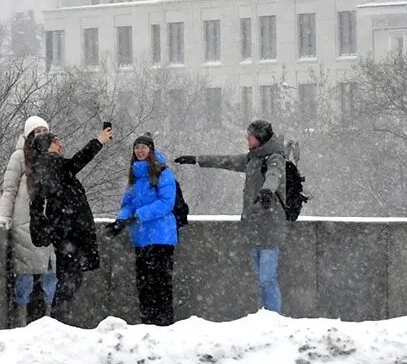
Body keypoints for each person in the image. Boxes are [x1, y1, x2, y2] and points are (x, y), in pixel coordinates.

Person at [176, 119, 301, 315]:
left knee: (268, 277)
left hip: (270, 226)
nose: (247, 138)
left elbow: (274, 175)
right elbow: (226, 161)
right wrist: (197, 159)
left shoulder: (275, 158)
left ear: (259, 137)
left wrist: (267, 191)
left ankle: (274, 319)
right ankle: (264, 314)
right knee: (260, 279)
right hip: (253, 226)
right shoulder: (252, 158)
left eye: (250, 135)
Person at [29, 121, 112, 322]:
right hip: (68, 234)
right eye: (56, 142)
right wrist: (99, 141)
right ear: (46, 147)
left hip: (67, 233)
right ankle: (59, 322)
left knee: (69, 280)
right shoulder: (50, 164)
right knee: (68, 281)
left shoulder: (47, 166)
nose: (61, 145)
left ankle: (60, 321)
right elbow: (77, 161)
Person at [106, 132, 180, 325]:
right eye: (137, 147)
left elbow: (166, 203)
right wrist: (121, 220)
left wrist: (138, 215)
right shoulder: (135, 177)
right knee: (145, 285)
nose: (140, 151)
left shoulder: (163, 173)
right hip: (141, 238)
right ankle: (149, 322)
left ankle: (163, 323)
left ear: (151, 150)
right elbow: (127, 204)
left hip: (161, 238)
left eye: (143, 147)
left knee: (161, 284)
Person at [0, 115, 56, 321]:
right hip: (24, 223)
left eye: (43, 130)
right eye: (36, 131)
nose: (41, 135)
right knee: (25, 274)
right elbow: (9, 189)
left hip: (48, 221)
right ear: (29, 134)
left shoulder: (53, 153)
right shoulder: (19, 157)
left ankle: (49, 317)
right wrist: (3, 216)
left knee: (50, 273)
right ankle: (20, 319)